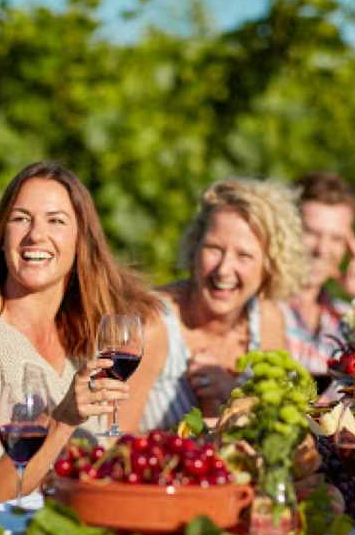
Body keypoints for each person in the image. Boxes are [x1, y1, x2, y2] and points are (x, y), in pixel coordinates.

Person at [0, 162, 160, 507]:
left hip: (77, 525)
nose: (36, 235)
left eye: (56, 221)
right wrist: (63, 419)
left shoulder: (86, 332)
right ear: (2, 236)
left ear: (81, 241)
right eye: (21, 218)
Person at [125, 178, 305, 431]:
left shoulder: (267, 320)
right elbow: (115, 444)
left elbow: (278, 429)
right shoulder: (151, 325)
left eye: (243, 255)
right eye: (214, 249)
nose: (224, 270)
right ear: (194, 248)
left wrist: (234, 398)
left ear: (269, 267)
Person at [282, 172, 355, 375]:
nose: (322, 250)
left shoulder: (348, 320)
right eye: (311, 233)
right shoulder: (255, 308)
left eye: (336, 238)